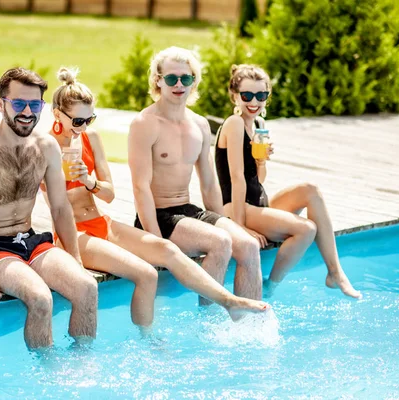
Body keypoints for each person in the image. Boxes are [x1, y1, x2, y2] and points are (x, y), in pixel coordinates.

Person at [46, 67, 268, 329]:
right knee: (145, 273)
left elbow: (109, 194)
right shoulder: (44, 145)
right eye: (77, 122)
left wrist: (90, 182)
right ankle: (149, 342)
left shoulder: (90, 138)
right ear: (57, 114)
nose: (82, 128)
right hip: (72, 232)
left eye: (88, 120)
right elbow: (55, 205)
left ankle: (228, 301)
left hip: (100, 222)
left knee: (166, 250)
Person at [0, 67, 98, 349]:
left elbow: (60, 208)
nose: (27, 112)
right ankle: (46, 375)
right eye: (18, 103)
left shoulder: (46, 146)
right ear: (1, 104)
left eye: (35, 104)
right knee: (41, 298)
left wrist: (76, 260)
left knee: (87, 288)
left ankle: (83, 366)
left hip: (28, 240)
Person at [128, 47, 265, 307]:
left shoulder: (200, 124)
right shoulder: (145, 123)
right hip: (159, 215)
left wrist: (226, 223)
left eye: (186, 78)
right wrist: (156, 241)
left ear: (194, 80)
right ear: (158, 80)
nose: (179, 85)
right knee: (219, 242)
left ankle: (251, 322)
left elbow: (210, 183)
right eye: (171, 79)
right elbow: (139, 187)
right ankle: (208, 323)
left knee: (247, 245)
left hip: (190, 211)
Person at [213, 63, 361, 299]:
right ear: (234, 95)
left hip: (257, 203)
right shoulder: (234, 123)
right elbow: (237, 179)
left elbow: (257, 179)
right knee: (306, 229)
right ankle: (270, 284)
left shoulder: (259, 125)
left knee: (310, 190)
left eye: (261, 95)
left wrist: (261, 162)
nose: (254, 102)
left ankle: (335, 272)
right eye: (247, 95)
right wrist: (240, 228)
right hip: (236, 207)